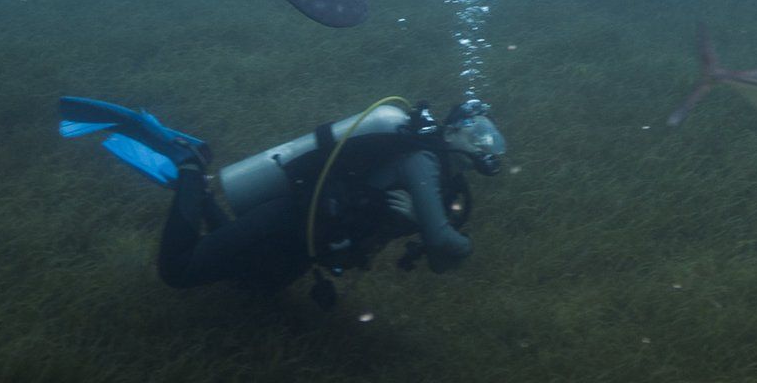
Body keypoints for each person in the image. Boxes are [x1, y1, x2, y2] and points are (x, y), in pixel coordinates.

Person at [59, 94, 506, 308]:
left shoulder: (442, 178)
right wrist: (452, 242)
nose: (484, 142)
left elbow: (435, 252)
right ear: (452, 129)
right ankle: (190, 165)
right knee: (179, 272)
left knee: (251, 288)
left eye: (487, 136)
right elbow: (445, 246)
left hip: (310, 242)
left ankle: (194, 188)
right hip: (291, 219)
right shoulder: (423, 161)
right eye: (477, 132)